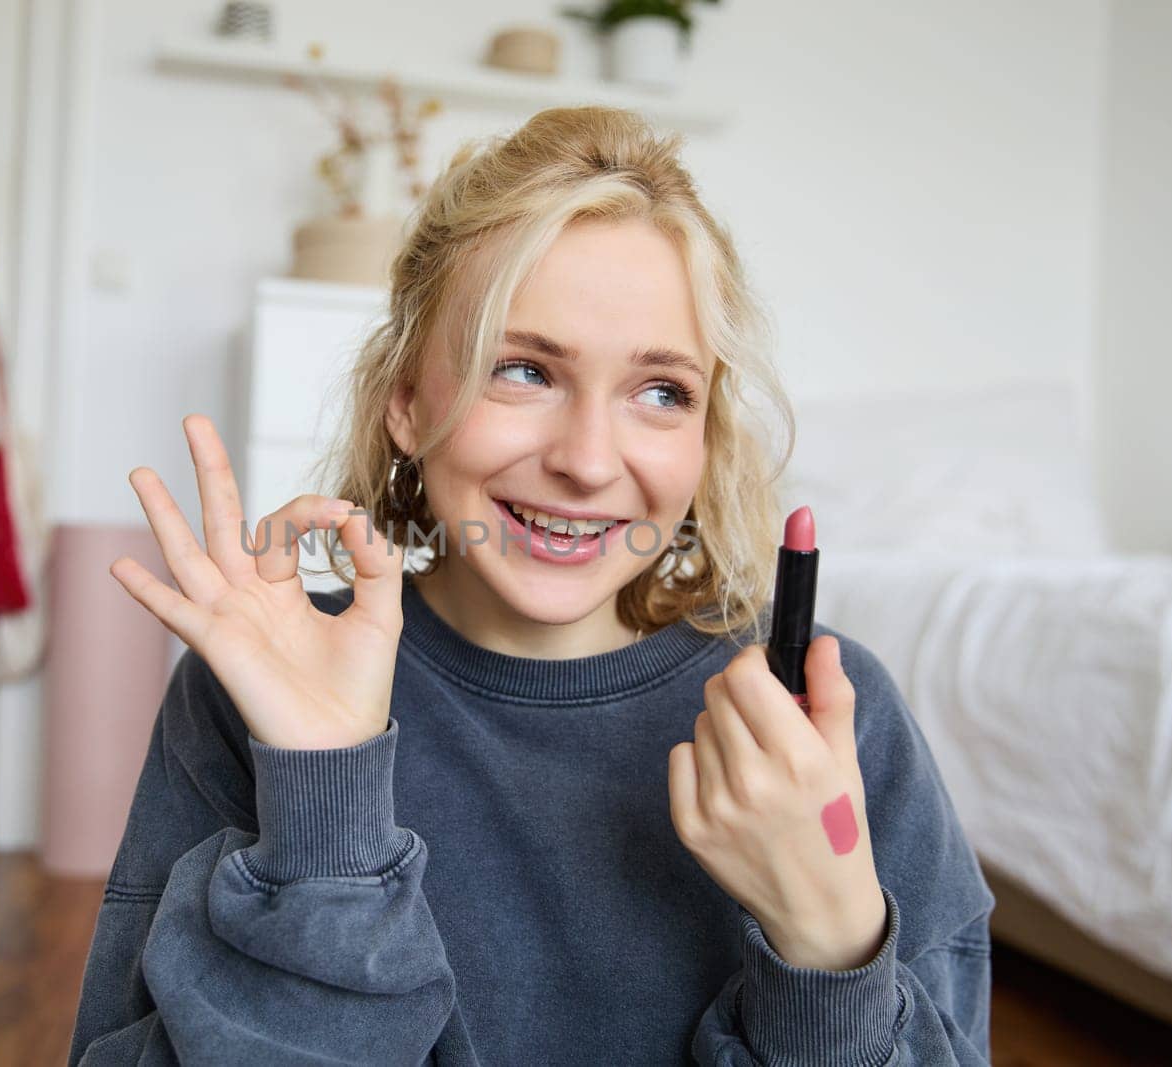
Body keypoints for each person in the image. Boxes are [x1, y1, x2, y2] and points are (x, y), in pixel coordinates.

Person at [67, 106, 994, 1065]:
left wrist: (832, 950)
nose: (589, 462)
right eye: (523, 370)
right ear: (407, 403)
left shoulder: (830, 723)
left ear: (708, 432)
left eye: (661, 391)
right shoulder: (260, 689)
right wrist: (326, 810)